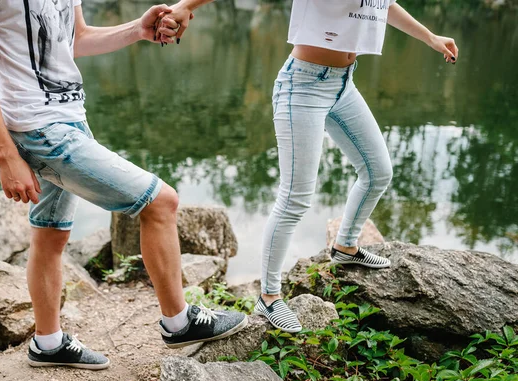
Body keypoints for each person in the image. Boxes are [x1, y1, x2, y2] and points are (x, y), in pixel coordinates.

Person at [0, 0, 248, 370]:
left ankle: (48, 344)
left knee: (51, 234)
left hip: (71, 120)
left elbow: (75, 39)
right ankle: (179, 322)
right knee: (161, 202)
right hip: (38, 129)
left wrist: (137, 30)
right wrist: (6, 154)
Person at [157, 0, 458, 332]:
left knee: (377, 173)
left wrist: (430, 37)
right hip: (302, 86)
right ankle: (269, 297)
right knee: (295, 198)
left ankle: (346, 246)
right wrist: (186, 5)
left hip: (344, 85)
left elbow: (384, 5)